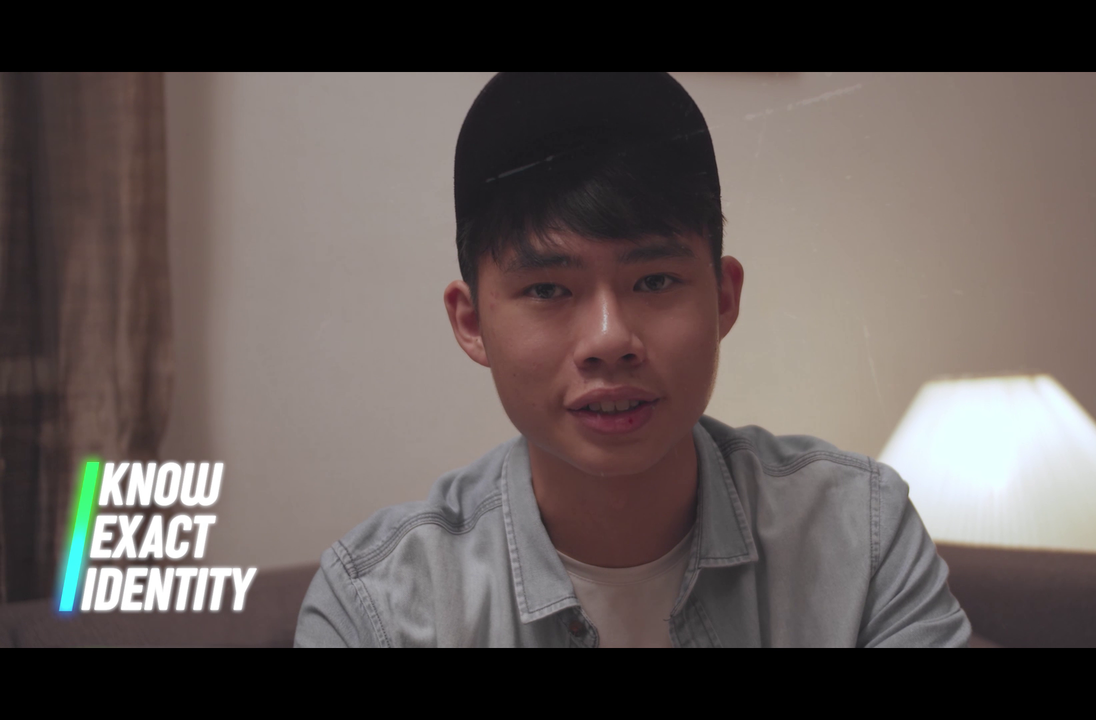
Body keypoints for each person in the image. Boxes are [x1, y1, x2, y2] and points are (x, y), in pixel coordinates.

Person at [294, 72, 971, 647]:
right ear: (471, 323)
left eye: (654, 280)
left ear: (724, 298)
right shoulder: (378, 607)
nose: (609, 338)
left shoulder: (859, 536)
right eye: (548, 290)